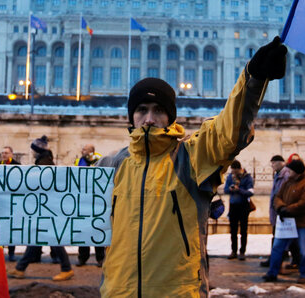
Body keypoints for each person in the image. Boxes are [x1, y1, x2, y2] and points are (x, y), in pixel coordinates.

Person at [97, 36, 285, 297]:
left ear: (170, 117)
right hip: (118, 292)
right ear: (131, 116)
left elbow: (227, 132)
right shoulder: (111, 165)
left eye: (158, 110)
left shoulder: (192, 157)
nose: (149, 118)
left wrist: (253, 79)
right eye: (141, 110)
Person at [6, 147, 74, 281]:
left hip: (51, 213)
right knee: (36, 240)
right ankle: (20, 268)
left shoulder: (53, 175)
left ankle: (67, 268)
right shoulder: (49, 173)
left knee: (53, 240)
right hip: (45, 212)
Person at [263, 159, 305, 283]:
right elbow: (277, 197)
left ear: (296, 172)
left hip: (300, 222)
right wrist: (281, 208)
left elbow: (304, 204)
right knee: (277, 248)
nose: (288, 171)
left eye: (290, 170)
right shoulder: (287, 183)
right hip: (286, 222)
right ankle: (272, 273)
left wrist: (288, 209)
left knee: (303, 250)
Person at [75, 143, 105, 267]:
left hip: (96, 201)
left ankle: (100, 258)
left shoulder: (99, 159)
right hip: (83, 200)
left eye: (85, 149)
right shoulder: (79, 161)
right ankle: (82, 258)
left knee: (97, 231)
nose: (82, 151)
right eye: (82, 149)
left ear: (91, 151)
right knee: (83, 232)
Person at [260, 155, 290, 268]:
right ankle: (276, 259)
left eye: (273, 163)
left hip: (281, 211)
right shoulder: (278, 174)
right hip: (277, 210)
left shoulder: (285, 175)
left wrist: (280, 207)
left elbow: (283, 193)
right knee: (277, 237)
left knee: (279, 238)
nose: (271, 165)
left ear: (280, 163)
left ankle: (275, 261)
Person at [224, 159, 254, 260]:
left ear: (239, 169)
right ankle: (233, 251)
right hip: (233, 205)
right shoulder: (230, 177)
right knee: (233, 229)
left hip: (244, 205)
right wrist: (230, 189)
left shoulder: (247, 177)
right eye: (232, 171)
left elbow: (250, 192)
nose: (234, 173)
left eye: (235, 171)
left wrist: (239, 190)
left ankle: (242, 251)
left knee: (243, 230)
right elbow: (225, 190)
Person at [0, 146, 20, 261]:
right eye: (2, 153)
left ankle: (11, 252)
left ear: (11, 154)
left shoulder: (17, 165)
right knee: (0, 226)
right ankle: (0, 250)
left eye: (6, 153)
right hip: (0, 200)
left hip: (12, 200)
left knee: (12, 227)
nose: (4, 155)